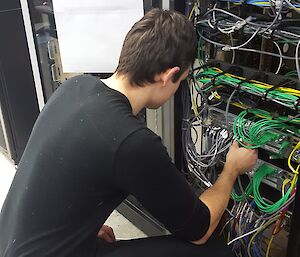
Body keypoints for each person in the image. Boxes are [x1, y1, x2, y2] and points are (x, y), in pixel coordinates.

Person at [0, 8, 257, 257]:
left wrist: (78, 228)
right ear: (170, 76)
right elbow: (199, 230)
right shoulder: (132, 142)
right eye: (183, 80)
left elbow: (49, 177)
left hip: (10, 245)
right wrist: (231, 170)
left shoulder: (76, 87)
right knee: (213, 250)